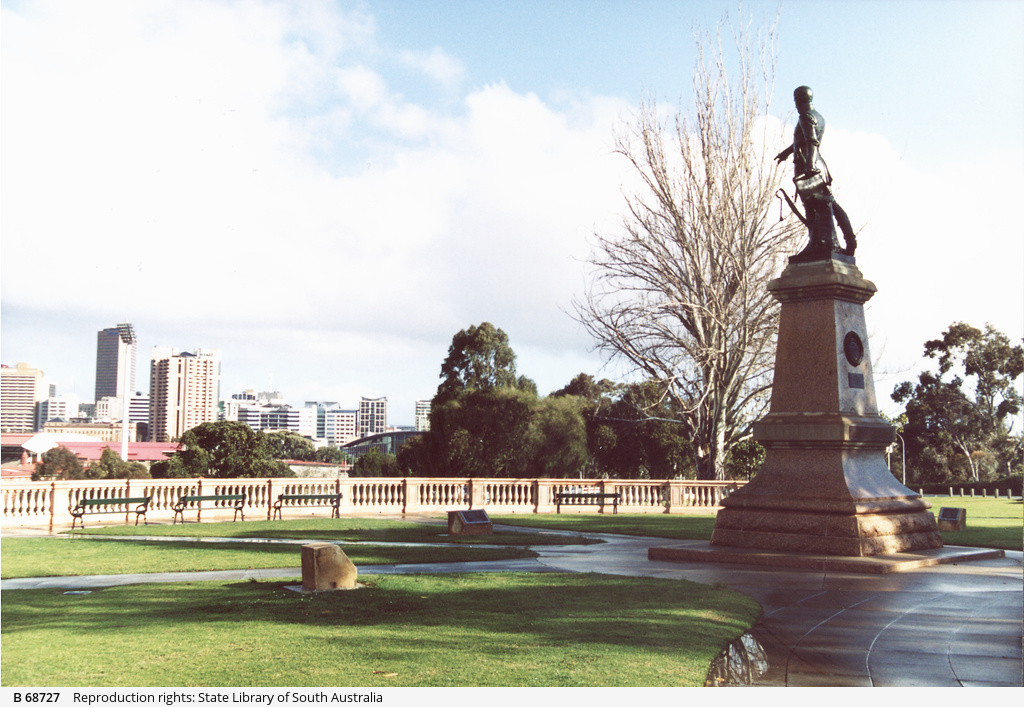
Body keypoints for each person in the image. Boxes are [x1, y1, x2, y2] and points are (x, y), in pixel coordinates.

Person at [775, 86, 856, 257]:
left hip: (809, 166)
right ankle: (849, 241)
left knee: (813, 206)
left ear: (799, 100)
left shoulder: (805, 116)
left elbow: (812, 141)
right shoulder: (818, 116)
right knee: (829, 203)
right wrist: (786, 153)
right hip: (819, 166)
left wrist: (809, 166)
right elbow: (804, 140)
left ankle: (817, 244)